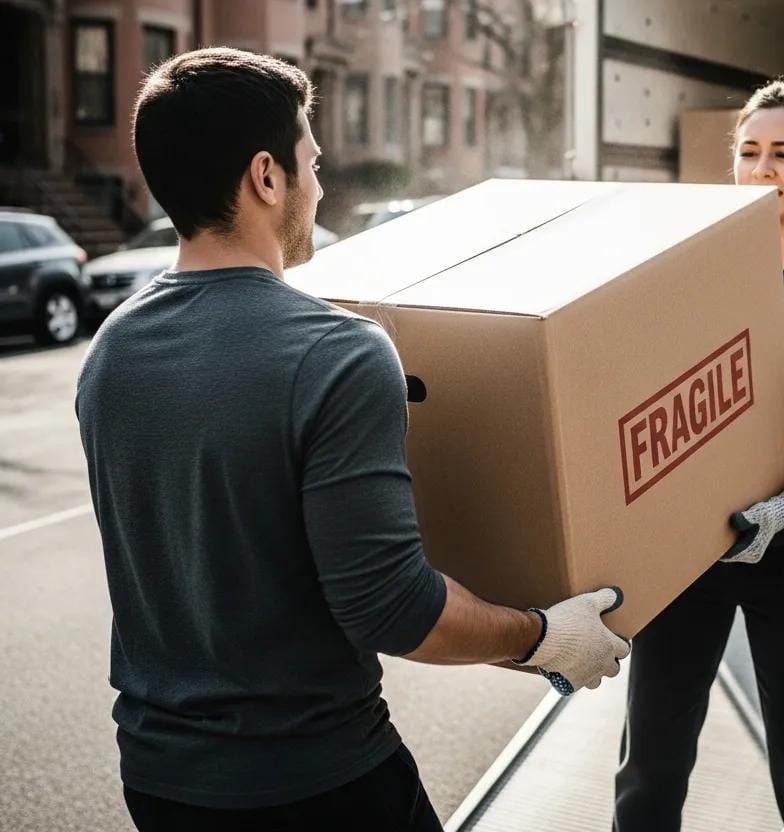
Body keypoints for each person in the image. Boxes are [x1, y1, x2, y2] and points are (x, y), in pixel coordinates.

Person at [76, 48, 629, 832]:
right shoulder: (337, 351)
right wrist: (544, 637)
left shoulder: (113, 350)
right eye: (312, 162)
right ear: (267, 177)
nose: (321, 186)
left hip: (160, 781)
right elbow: (395, 609)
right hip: (314, 784)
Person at [614, 79, 784, 832]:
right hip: (689, 558)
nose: (762, 168)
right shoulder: (687, 278)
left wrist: (781, 509)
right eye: (748, 152)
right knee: (650, 772)